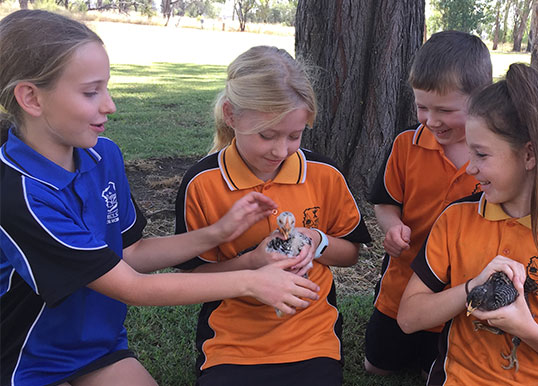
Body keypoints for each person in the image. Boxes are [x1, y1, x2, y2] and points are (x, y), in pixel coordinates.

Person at [0, 10, 319, 386]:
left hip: (95, 346)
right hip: (25, 355)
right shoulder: (19, 195)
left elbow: (132, 253)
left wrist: (216, 233)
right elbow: (133, 286)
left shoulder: (104, 156)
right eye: (91, 92)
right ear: (31, 98)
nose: (110, 104)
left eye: (107, 87)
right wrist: (251, 280)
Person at [396, 63, 538, 385]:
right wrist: (471, 288)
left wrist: (525, 327)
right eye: (470, 152)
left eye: (481, 154)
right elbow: (409, 318)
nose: (470, 168)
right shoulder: (456, 219)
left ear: (529, 155)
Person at [174, 45, 372, 386]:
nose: (281, 150)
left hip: (311, 335)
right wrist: (252, 262)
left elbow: (351, 253)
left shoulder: (324, 174)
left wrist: (316, 240)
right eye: (267, 135)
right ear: (231, 115)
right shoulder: (202, 183)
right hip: (233, 340)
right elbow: (195, 279)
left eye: (294, 136)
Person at [364, 30, 492, 375]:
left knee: (436, 372)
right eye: (422, 106)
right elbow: (385, 202)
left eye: (446, 110)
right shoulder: (406, 144)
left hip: (462, 292)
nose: (432, 120)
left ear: (481, 99)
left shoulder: (496, 156)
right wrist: (392, 226)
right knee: (378, 366)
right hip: (403, 281)